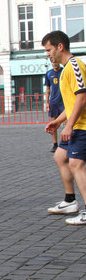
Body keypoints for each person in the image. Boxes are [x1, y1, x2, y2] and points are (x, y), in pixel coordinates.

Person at [43, 31, 86, 225]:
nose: (48, 54)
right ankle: (70, 201)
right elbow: (71, 104)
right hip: (73, 124)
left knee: (76, 164)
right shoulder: (65, 69)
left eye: (49, 49)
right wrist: (58, 121)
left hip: (82, 126)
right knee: (60, 157)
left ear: (60, 47)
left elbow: (82, 97)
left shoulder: (75, 66)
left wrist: (68, 126)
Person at [45, 62, 65, 152]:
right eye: (53, 63)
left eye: (56, 62)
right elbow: (48, 89)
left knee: (67, 123)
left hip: (64, 101)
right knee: (53, 123)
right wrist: (47, 102)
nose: (54, 64)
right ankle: (55, 144)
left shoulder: (64, 71)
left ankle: (66, 143)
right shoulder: (49, 73)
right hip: (53, 102)